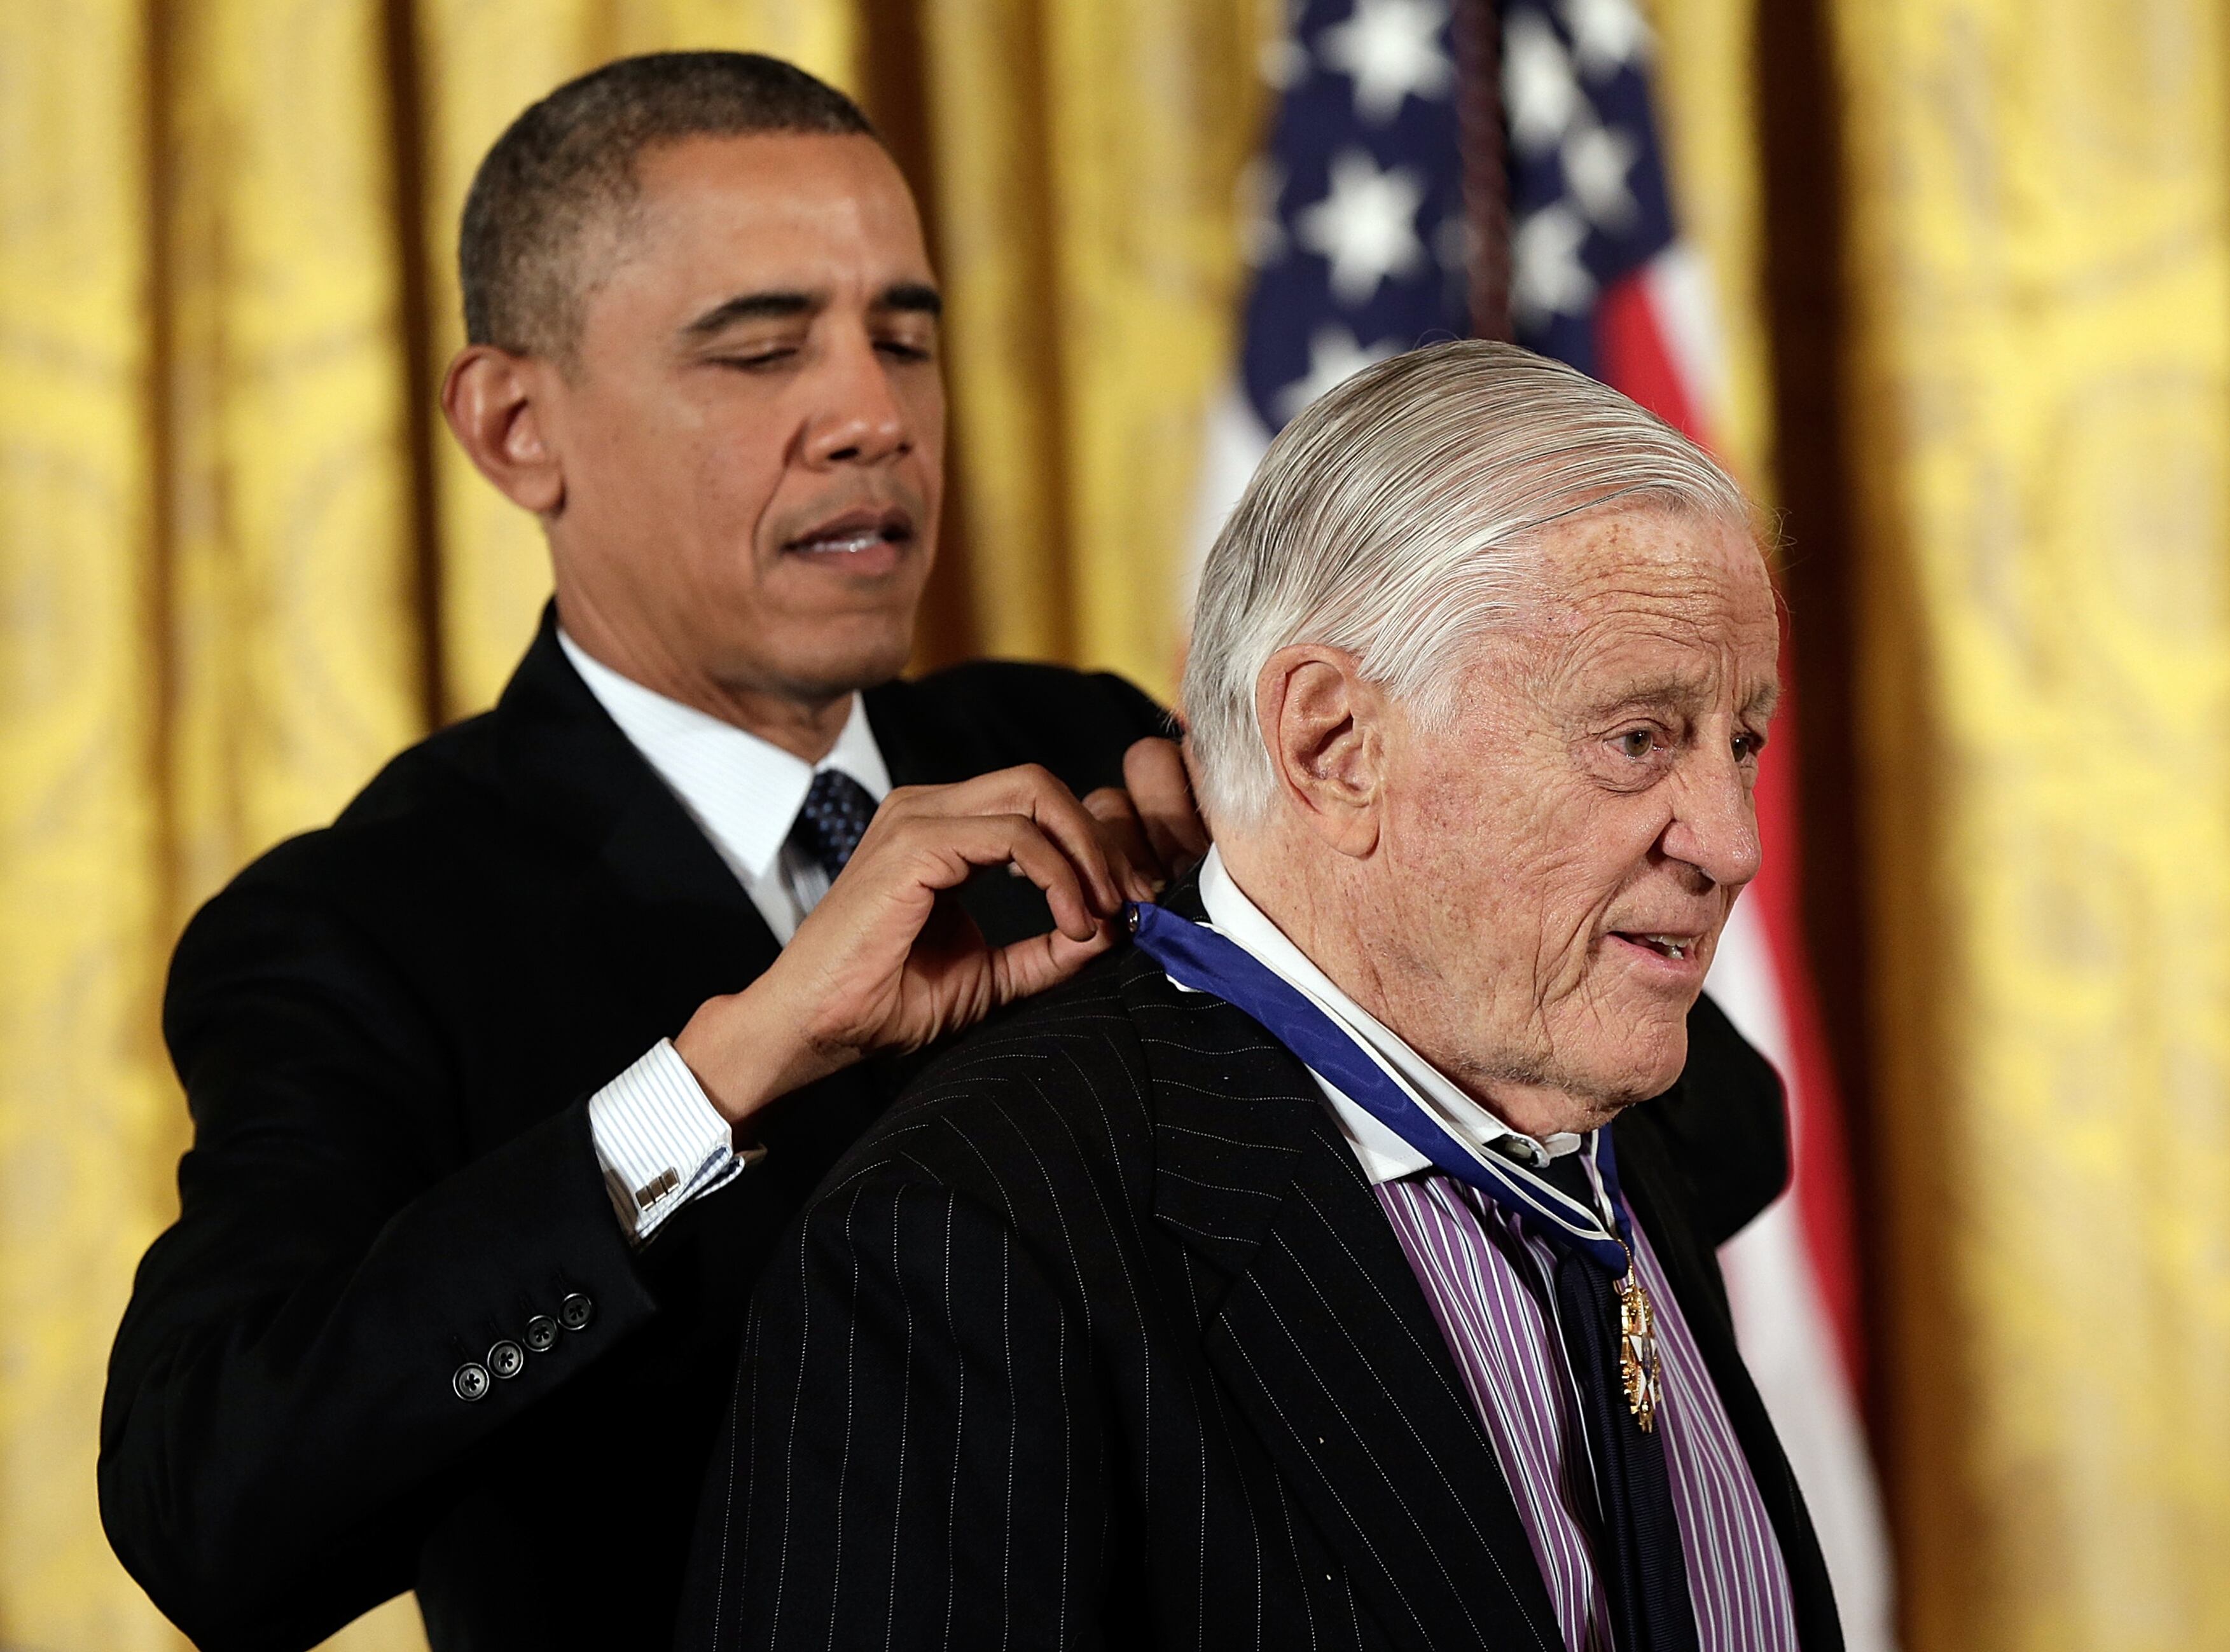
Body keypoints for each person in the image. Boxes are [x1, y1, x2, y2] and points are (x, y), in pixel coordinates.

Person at [98, 53, 1207, 1652]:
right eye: (762, 352)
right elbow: (212, 1512)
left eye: (905, 337)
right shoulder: (358, 927)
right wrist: (725, 1075)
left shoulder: (1101, 752)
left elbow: (1669, 1146)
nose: (875, 417)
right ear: (516, 427)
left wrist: (1393, 928)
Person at [683, 340, 1844, 1651]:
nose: (1731, 841)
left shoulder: (1588, 1103)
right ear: (1333, 745)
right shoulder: (967, 1242)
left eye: (1738, 741)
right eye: (1637, 739)